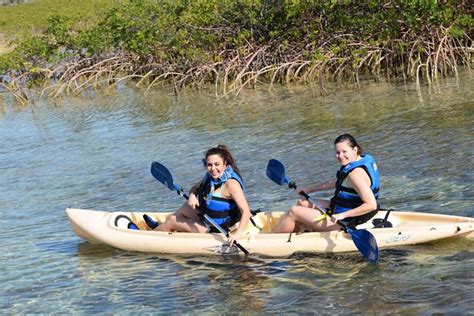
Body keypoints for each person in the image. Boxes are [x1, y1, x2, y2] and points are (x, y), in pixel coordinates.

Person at [144, 145, 252, 246]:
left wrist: (237, 234)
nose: (213, 169)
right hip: (207, 216)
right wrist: (192, 196)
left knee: (173, 220)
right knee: (184, 208)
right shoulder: (210, 176)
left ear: (225, 163)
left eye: (217, 164)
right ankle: (161, 226)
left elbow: (246, 211)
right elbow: (194, 188)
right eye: (209, 165)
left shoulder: (231, 184)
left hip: (217, 227)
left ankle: (150, 236)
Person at [272, 133, 379, 233]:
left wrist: (342, 215)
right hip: (339, 209)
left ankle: (272, 240)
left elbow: (371, 205)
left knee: (293, 211)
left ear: (355, 149)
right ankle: (297, 231)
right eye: (338, 152)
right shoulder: (361, 159)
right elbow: (340, 182)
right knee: (302, 203)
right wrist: (309, 189)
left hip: (346, 220)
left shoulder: (356, 175)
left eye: (344, 151)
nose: (340, 156)